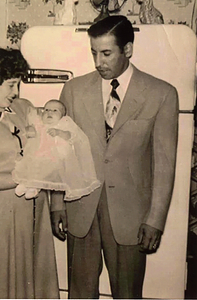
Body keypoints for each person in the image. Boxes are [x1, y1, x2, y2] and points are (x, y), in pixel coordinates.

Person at [51, 15, 179, 298]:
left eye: (106, 53)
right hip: (80, 207)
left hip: (131, 215)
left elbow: (165, 165)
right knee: (80, 293)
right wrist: (56, 203)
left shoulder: (162, 94)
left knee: (127, 293)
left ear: (128, 50)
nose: (98, 62)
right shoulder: (73, 90)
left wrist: (155, 219)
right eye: (94, 53)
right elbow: (61, 151)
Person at [0, 48, 60, 298]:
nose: (16, 93)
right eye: (11, 85)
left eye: (18, 85)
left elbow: (47, 142)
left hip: (35, 210)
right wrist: (19, 178)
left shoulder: (22, 108)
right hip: (4, 214)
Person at [12, 99, 100, 200]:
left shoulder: (63, 124)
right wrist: (31, 130)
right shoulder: (39, 124)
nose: (49, 113)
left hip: (53, 155)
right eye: (47, 110)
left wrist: (59, 133)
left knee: (44, 171)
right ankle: (25, 184)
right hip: (37, 152)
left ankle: (35, 188)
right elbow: (29, 131)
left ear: (62, 116)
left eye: (55, 111)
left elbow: (72, 136)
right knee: (30, 166)